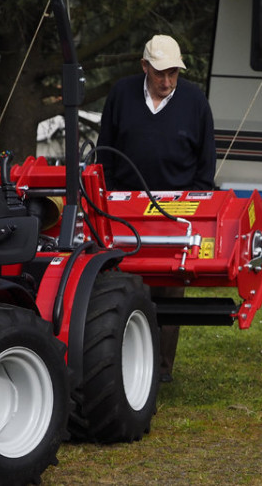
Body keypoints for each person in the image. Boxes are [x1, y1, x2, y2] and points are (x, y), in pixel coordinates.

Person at [96, 34, 216, 383]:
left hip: (177, 208)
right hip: (125, 205)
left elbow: (205, 163)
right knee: (122, 286)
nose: (167, 81)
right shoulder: (121, 94)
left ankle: (161, 369)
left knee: (169, 287)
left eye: (173, 74)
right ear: (144, 67)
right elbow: (106, 151)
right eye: (160, 73)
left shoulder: (194, 101)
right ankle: (120, 365)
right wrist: (110, 197)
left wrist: (192, 203)